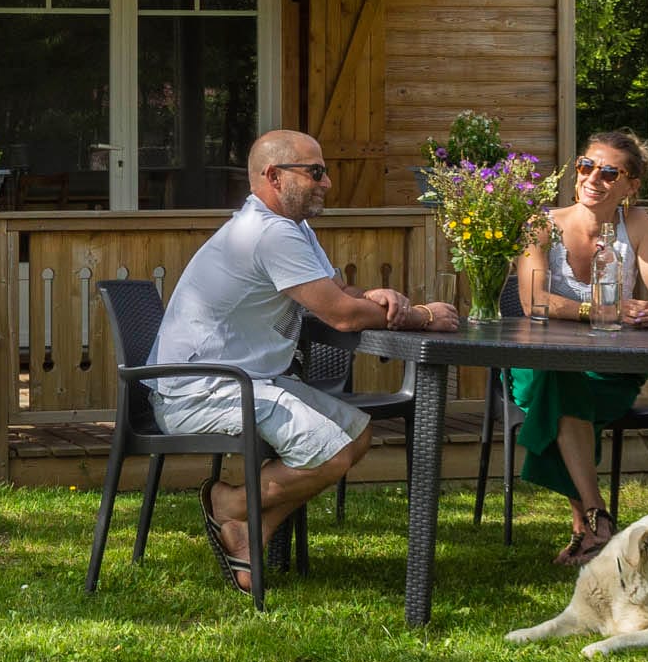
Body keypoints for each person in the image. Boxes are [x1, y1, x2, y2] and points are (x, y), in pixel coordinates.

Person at [149, 128, 461, 591]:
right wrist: (419, 315)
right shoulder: (269, 233)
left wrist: (374, 296)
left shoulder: (292, 228)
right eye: (315, 172)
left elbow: (336, 294)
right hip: (200, 389)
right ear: (274, 176)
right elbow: (340, 315)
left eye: (325, 172)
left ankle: (250, 530)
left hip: (246, 380)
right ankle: (231, 505)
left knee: (355, 434)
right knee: (332, 447)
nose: (327, 182)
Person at [509, 130, 648, 566]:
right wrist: (600, 310)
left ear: (630, 186)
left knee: (565, 392)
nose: (593, 178)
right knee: (557, 378)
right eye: (587, 166)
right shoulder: (540, 224)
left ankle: (588, 530)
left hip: (612, 366)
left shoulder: (637, 225)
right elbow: (535, 301)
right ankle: (597, 519)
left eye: (610, 172)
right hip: (539, 363)